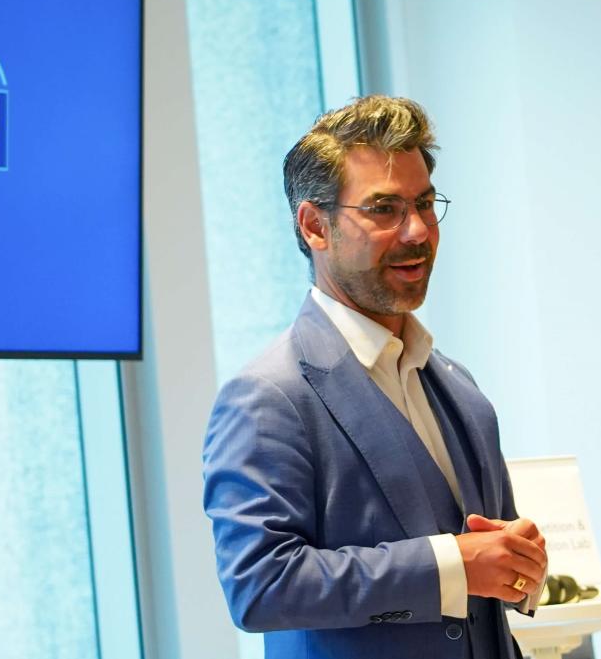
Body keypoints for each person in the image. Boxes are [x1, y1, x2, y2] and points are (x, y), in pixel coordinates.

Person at [203, 95, 546, 658]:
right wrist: (448, 565)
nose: (417, 231)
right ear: (315, 226)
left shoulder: (459, 386)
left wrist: (520, 563)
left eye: (425, 203)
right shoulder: (268, 396)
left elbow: (488, 575)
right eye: (384, 209)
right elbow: (259, 587)